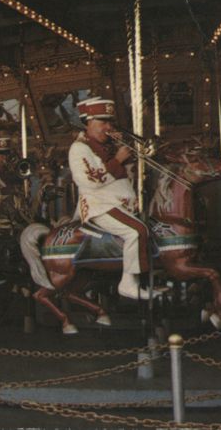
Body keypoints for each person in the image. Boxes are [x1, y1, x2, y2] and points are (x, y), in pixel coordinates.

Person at [68, 97, 156, 299]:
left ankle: (147, 281)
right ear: (88, 123)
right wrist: (118, 159)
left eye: (110, 122)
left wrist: (123, 150)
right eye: (103, 122)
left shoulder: (105, 145)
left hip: (120, 206)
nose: (108, 127)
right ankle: (127, 283)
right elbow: (91, 180)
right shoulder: (79, 149)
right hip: (99, 207)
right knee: (136, 231)